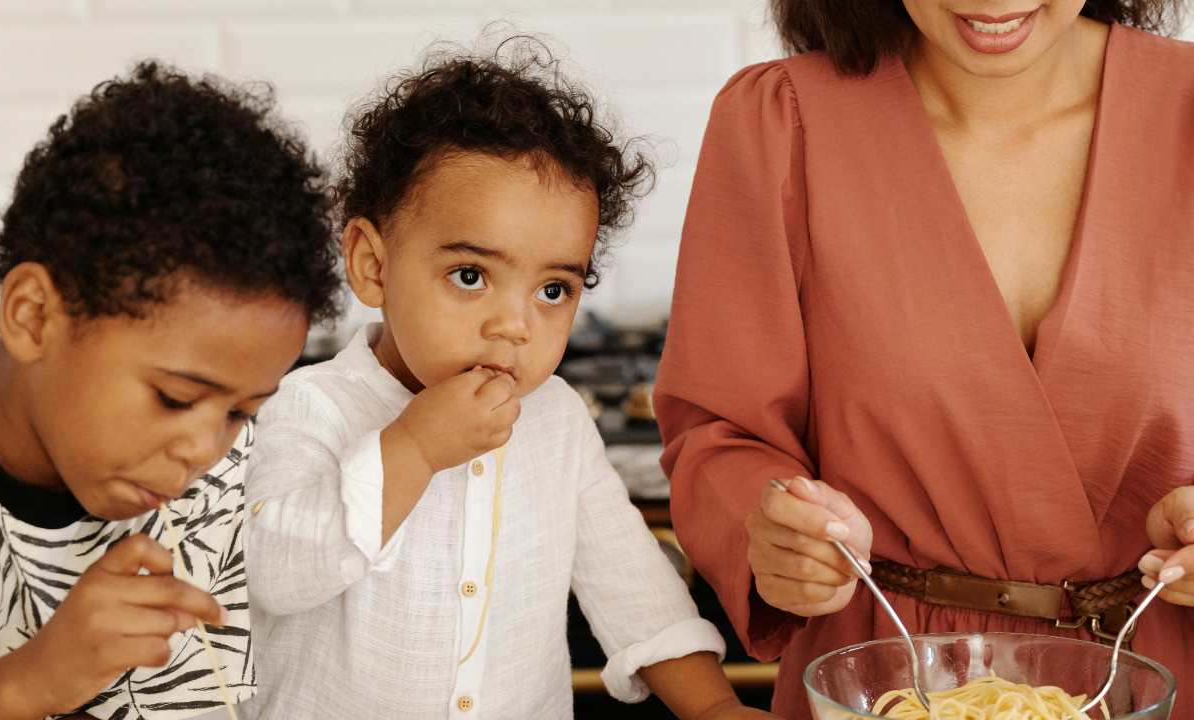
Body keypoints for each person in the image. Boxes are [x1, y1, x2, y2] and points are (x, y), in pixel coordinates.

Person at [654, 0, 1194, 716]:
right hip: (880, 675)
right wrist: (772, 531)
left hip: (1161, 670)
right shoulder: (781, 120)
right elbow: (716, 432)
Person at [241, 42, 777, 720]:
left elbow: (632, 584)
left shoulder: (555, 419)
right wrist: (414, 448)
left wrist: (712, 708)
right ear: (372, 265)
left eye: (554, 289)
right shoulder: (313, 406)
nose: (516, 325)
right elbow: (273, 573)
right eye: (470, 276)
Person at [0, 61, 342, 719]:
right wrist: (28, 684)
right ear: (33, 316)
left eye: (240, 411)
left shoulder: (232, 480)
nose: (203, 449)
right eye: (174, 397)